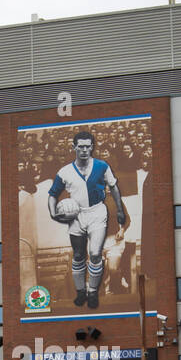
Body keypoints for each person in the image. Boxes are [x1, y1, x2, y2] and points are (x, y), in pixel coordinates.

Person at [47, 129, 128, 310]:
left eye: (87, 146)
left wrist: (120, 209)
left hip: (97, 212)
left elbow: (114, 187)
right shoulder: (65, 171)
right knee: (78, 255)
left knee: (95, 253)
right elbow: (52, 195)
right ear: (74, 147)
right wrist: (53, 213)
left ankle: (92, 292)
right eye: (80, 147)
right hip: (76, 215)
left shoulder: (102, 166)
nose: (84, 150)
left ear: (92, 147)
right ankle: (81, 291)